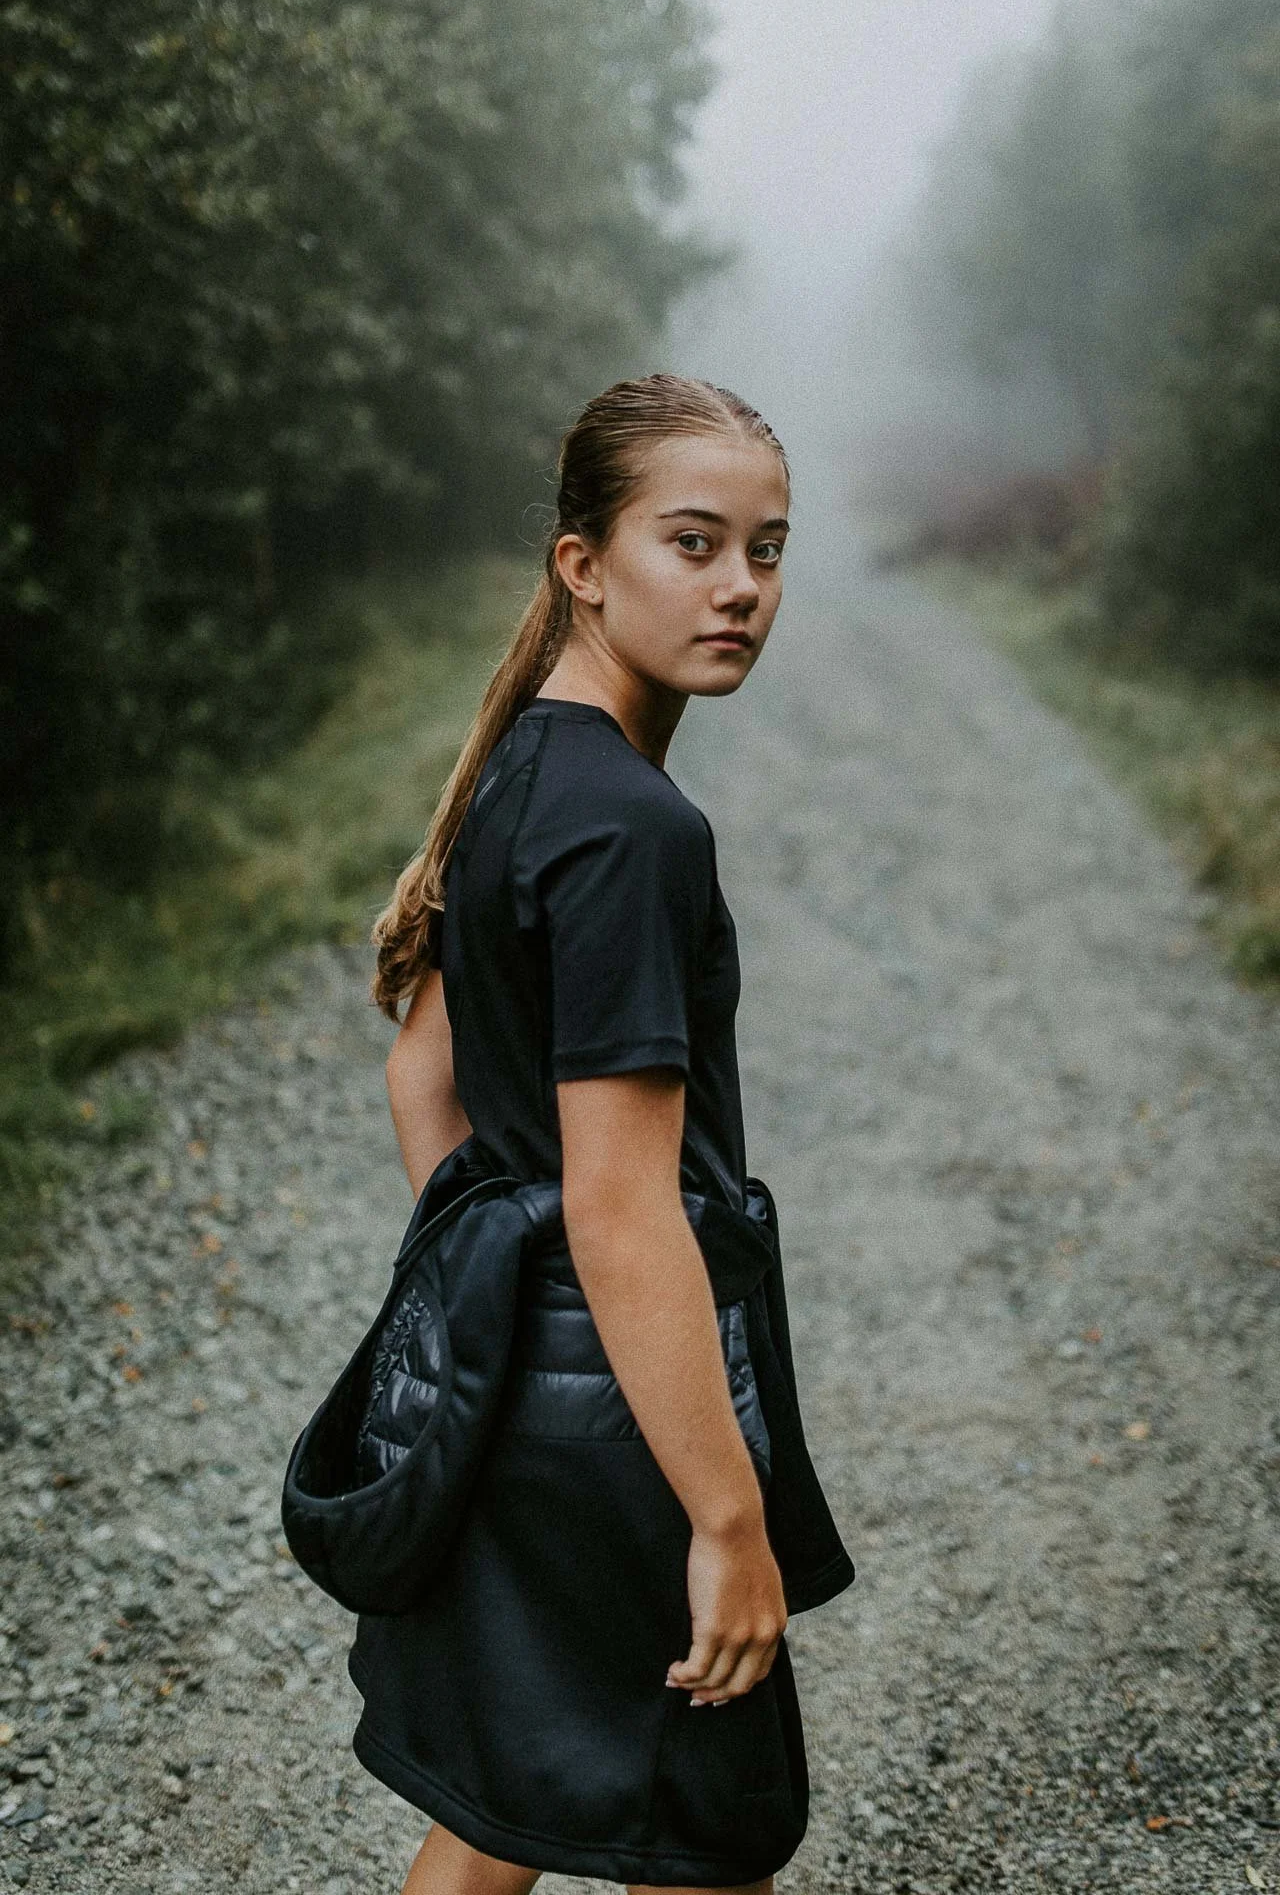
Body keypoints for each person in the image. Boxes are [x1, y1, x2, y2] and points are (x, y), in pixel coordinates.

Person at [356, 373, 854, 1895]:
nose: (740, 589)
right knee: (706, 1844)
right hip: (635, 1427)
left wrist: (500, 1309)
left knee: (506, 1809)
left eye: (766, 550)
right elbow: (625, 1206)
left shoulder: (524, 770)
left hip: (534, 1407)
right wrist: (725, 1514)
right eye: (693, 543)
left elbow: (422, 1086)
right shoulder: (637, 830)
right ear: (582, 564)